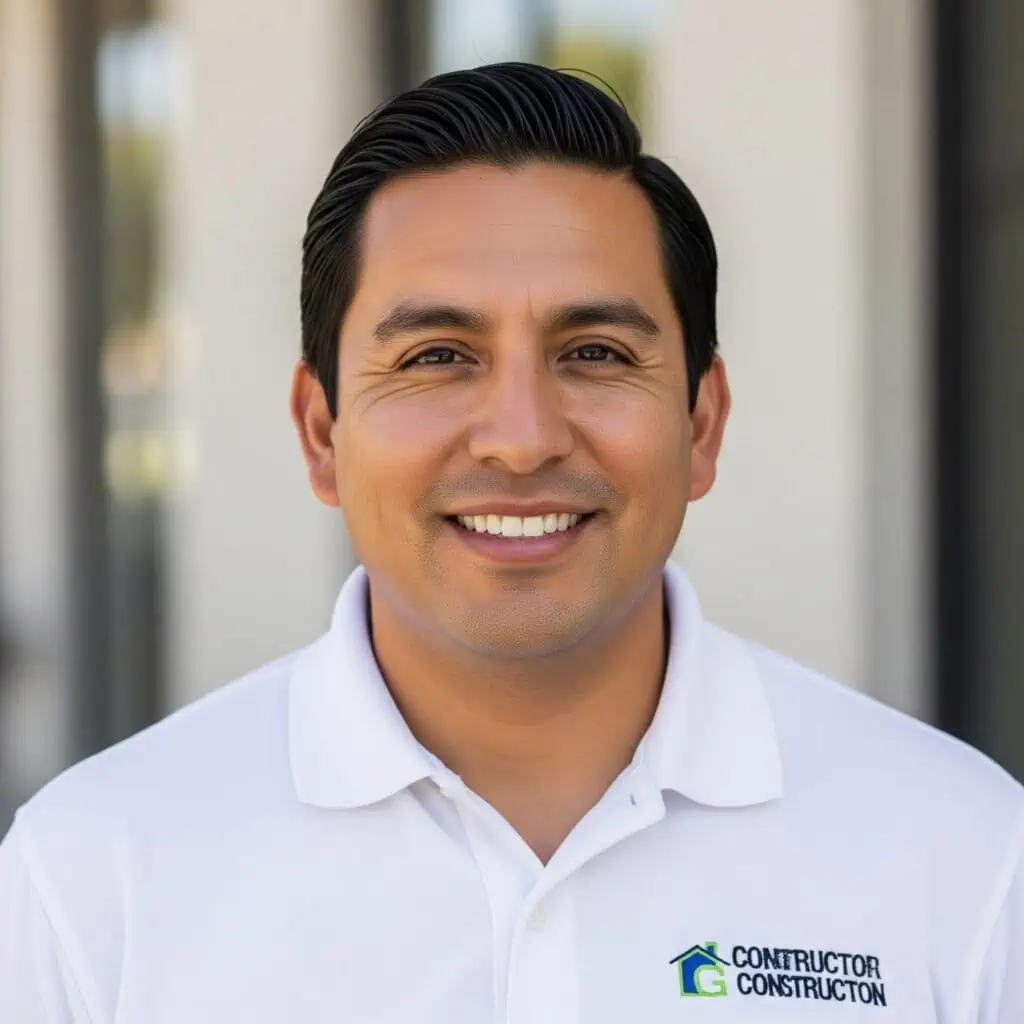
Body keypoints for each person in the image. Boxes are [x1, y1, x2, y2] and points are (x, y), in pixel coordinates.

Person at [1, 62, 1021, 1023]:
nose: (523, 439)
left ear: (701, 425)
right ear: (321, 433)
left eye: (594, 352)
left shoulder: (963, 853)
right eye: (439, 356)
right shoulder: (98, 869)